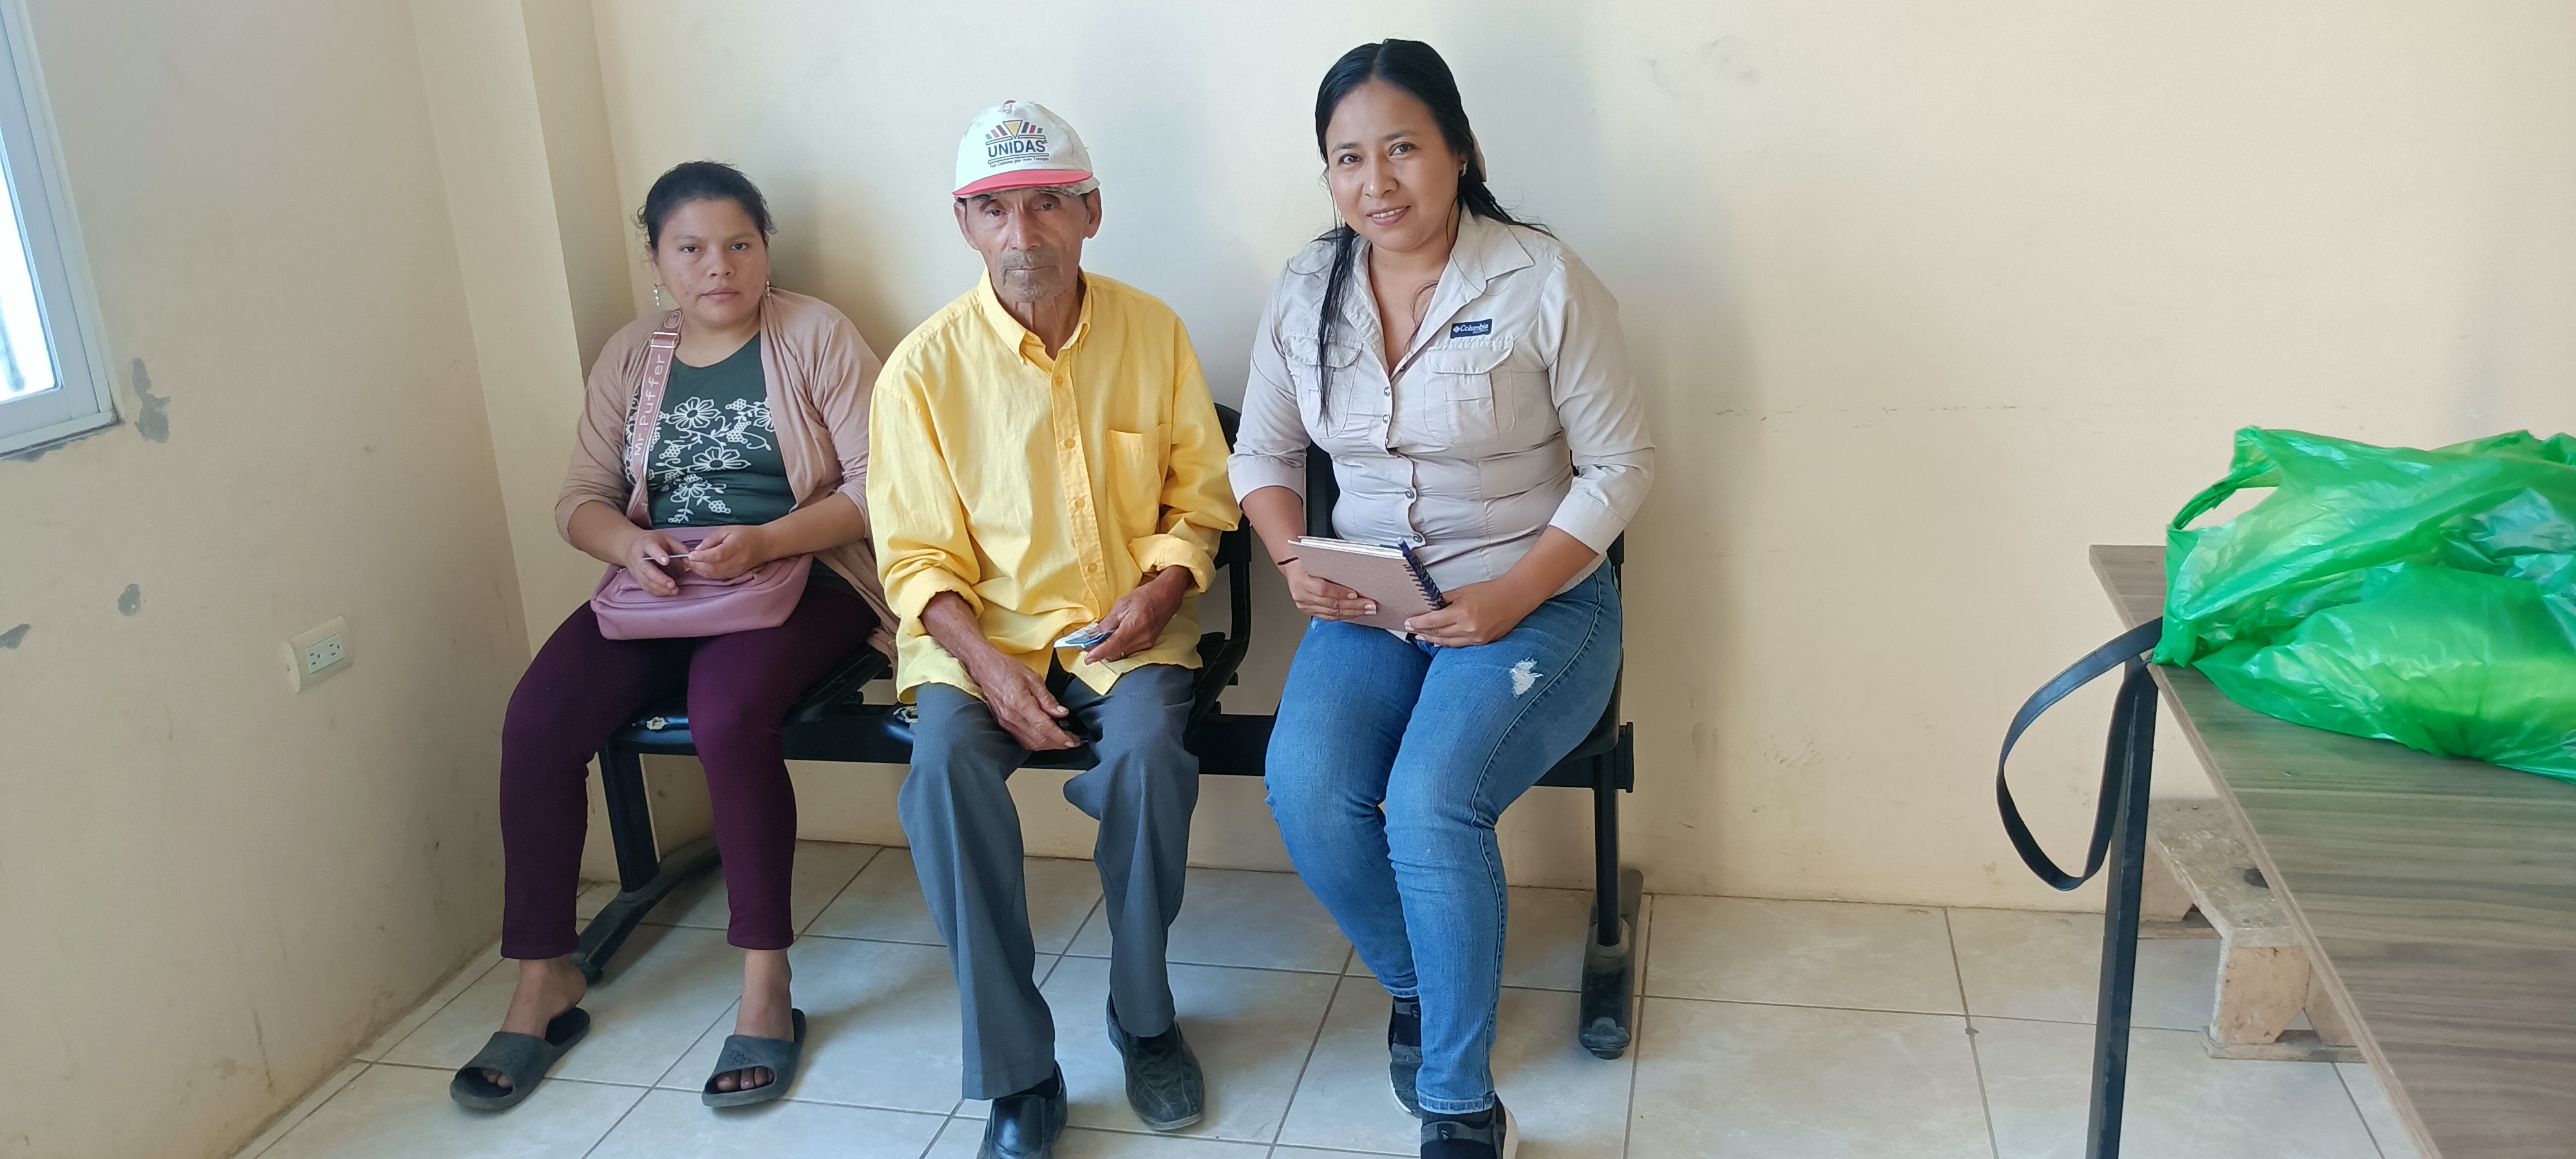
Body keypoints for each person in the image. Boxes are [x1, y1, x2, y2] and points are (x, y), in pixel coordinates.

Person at [1229, 41, 1654, 1159]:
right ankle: (1421, 982)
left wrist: (1510, 596)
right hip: (1374, 601)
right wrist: (1291, 557)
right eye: (1348, 158)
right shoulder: (1307, 287)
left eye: (1403, 149)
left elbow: (1621, 467)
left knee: (1429, 803)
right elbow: (1262, 454)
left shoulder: (1540, 279)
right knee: (1308, 787)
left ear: (1460, 150)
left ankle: (1459, 1102)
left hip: (1540, 603)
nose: (1377, 183)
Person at [450, 162, 893, 1112]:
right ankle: (543, 980)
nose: (718, 266)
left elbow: (880, 488)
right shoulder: (631, 356)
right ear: (656, 262)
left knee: (727, 715)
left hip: (807, 572)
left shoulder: (815, 334)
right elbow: (581, 499)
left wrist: (767, 540)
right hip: (666, 584)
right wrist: (630, 546)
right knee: (538, 721)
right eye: (690, 248)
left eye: (739, 244)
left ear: (765, 251)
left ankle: (765, 981)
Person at [869, 101, 1239, 1159]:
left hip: (1125, 629)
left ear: (1091, 212)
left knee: (1149, 758)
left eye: (1045, 205)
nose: (1022, 233)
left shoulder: (1153, 332)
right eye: (995, 210)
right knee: (942, 771)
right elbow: (915, 560)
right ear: (964, 224)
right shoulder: (922, 370)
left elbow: (1199, 499)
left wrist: (1162, 590)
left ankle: (1144, 1017)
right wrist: (988, 669)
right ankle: (1019, 1073)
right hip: (976, 642)